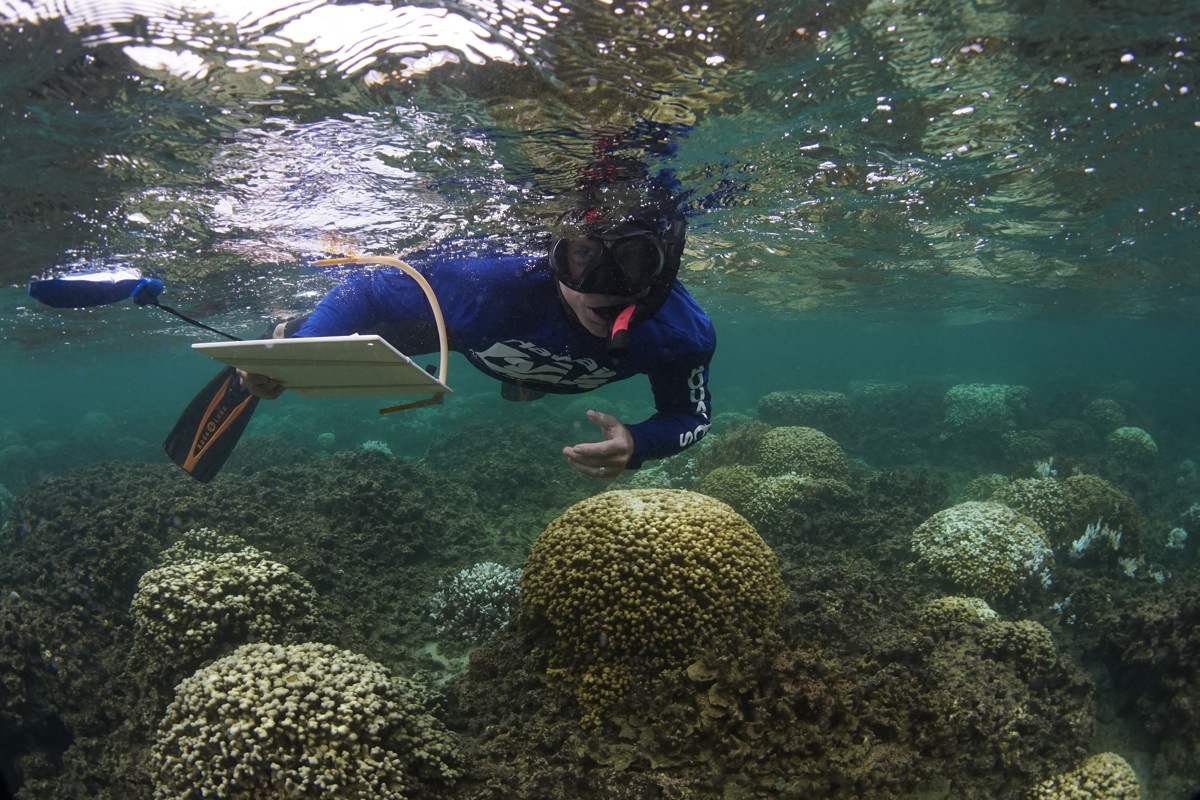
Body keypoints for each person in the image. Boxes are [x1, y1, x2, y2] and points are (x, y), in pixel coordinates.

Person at [239, 189, 715, 480]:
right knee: (355, 334)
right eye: (582, 256)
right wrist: (303, 353)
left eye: (633, 261)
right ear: (554, 256)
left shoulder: (680, 333)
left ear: (663, 267)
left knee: (524, 388)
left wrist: (639, 443)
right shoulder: (488, 285)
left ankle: (525, 382)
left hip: (509, 350)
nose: (605, 287)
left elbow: (687, 414)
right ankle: (289, 327)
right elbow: (366, 286)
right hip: (462, 335)